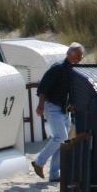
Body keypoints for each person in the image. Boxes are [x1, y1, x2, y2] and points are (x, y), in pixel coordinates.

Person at [32, 42, 84, 181]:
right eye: (78, 56)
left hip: (64, 109)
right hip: (52, 106)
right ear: (69, 55)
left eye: (81, 56)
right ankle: (38, 162)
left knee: (63, 141)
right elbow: (43, 88)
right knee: (60, 137)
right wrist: (40, 106)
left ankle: (54, 175)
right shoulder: (58, 68)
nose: (80, 58)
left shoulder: (74, 70)